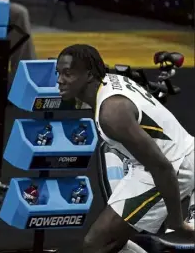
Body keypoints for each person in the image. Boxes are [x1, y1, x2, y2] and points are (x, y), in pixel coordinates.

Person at [56, 44, 195, 253]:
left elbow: (162, 167)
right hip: (174, 152)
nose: (59, 80)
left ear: (89, 75)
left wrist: (177, 223)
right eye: (58, 73)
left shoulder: (111, 115)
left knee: (96, 244)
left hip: (172, 166)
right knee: (111, 239)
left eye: (67, 74)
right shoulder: (110, 79)